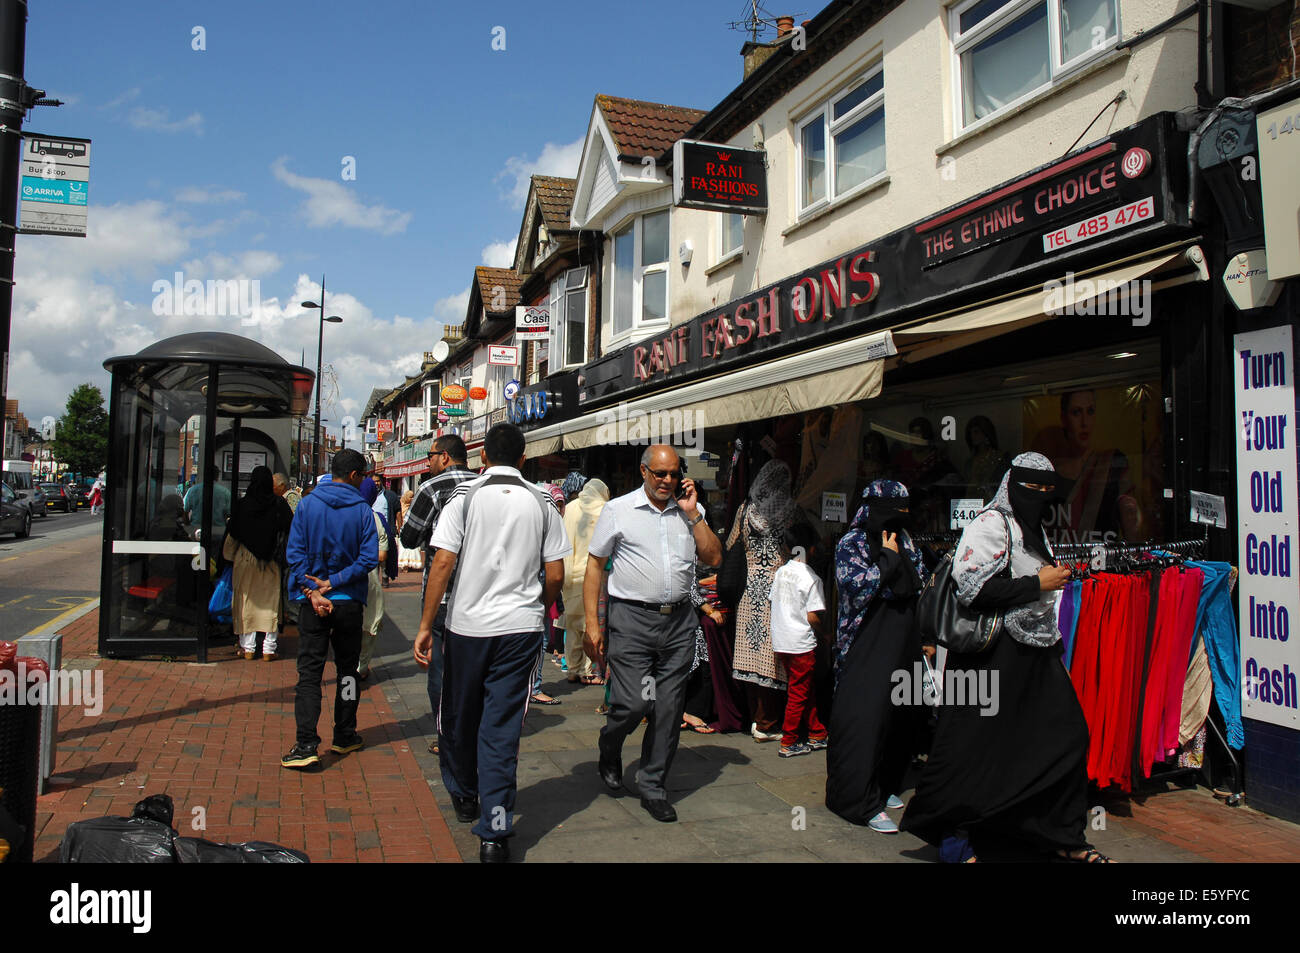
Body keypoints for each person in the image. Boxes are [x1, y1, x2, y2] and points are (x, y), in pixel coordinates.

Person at [900, 452, 1112, 863]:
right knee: (971, 751)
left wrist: (1050, 580)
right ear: (1013, 487)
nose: (1040, 497)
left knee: (1065, 738)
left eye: (1047, 491)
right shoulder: (990, 524)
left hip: (1036, 654)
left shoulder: (1031, 528)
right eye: (1032, 489)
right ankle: (956, 843)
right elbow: (970, 589)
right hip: (990, 655)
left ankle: (1061, 836)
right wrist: (1037, 583)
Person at [412, 423, 570, 863]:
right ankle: (495, 833)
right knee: (501, 728)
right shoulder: (543, 503)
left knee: (459, 713)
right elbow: (555, 574)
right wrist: (537, 606)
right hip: (520, 631)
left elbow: (443, 561)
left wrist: (426, 624)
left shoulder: (463, 499)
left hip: (466, 628)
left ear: (484, 458)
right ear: (523, 459)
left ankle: (464, 792)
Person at [584, 444, 723, 823]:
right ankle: (610, 745)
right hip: (631, 619)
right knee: (632, 703)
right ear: (643, 471)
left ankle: (653, 786)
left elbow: (714, 558)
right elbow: (595, 565)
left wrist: (693, 515)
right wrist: (592, 624)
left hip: (679, 622)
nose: (668, 481)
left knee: (668, 706)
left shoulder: (690, 512)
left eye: (674, 474)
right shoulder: (619, 510)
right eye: (660, 474)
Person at [825, 480, 928, 833]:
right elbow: (856, 588)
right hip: (865, 640)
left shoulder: (907, 539)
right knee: (864, 718)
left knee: (900, 715)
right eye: (890, 508)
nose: (897, 517)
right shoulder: (850, 543)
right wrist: (887, 560)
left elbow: (920, 579)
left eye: (903, 509)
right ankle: (857, 799)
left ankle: (884, 785)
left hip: (904, 637)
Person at [281, 448, 378, 770]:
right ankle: (344, 733)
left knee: (309, 674)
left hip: (313, 605)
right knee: (347, 671)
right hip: (348, 602)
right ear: (353, 475)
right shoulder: (363, 511)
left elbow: (294, 554)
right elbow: (367, 559)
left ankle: (306, 743)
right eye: (362, 474)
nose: (364, 480)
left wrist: (313, 590)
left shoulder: (307, 505)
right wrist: (334, 583)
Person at [399, 435, 478, 754]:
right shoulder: (483, 485)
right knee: (474, 668)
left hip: (443, 596)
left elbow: (408, 538)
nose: (427, 462)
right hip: (480, 596)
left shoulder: (431, 489)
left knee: (441, 669)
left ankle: (447, 734)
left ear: (445, 457)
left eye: (430, 456)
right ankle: (471, 729)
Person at [727, 459, 799, 742]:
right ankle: (766, 723)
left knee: (749, 652)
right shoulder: (789, 511)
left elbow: (731, 544)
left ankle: (753, 718)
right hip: (777, 591)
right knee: (772, 655)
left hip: (748, 590)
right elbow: (798, 549)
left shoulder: (744, 510)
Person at [223, 466, 294, 661]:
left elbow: (233, 533)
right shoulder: (279, 504)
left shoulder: (243, 504)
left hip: (245, 559)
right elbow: (290, 529)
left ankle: (248, 647)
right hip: (271, 561)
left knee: (245, 602)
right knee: (270, 604)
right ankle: (269, 649)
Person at [769, 522, 827, 759]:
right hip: (801, 643)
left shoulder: (782, 571)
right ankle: (789, 740)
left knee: (803, 688)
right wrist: (825, 634)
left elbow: (774, 601)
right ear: (811, 549)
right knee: (798, 692)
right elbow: (813, 616)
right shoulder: (811, 578)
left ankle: (817, 732)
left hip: (782, 640)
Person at [561, 477, 611, 686]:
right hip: (594, 575)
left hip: (570, 572)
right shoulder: (606, 510)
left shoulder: (571, 508)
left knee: (573, 624)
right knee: (591, 623)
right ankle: (587, 669)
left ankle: (573, 668)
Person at [529, 483, 568, 706]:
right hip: (539, 588)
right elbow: (555, 575)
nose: (560, 509)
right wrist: (546, 603)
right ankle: (533, 686)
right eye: (558, 504)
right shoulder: (548, 518)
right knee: (539, 638)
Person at [357, 477, 388, 681]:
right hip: (368, 577)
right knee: (369, 624)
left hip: (341, 580)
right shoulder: (375, 518)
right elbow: (382, 555)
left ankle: (349, 679)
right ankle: (361, 667)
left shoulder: (341, 514)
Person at [396, 489, 422, 571]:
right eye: (410, 497)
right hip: (404, 530)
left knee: (413, 548)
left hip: (413, 530)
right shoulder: (401, 506)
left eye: (413, 497)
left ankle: (412, 564)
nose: (412, 499)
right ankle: (405, 565)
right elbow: (399, 518)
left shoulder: (415, 506)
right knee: (404, 549)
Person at [383, 481, 402, 583]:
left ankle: (385, 575)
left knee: (386, 554)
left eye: (377, 481)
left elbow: (398, 512)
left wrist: (400, 527)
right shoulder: (368, 495)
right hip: (374, 531)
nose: (376, 483)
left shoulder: (391, 496)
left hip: (388, 530)